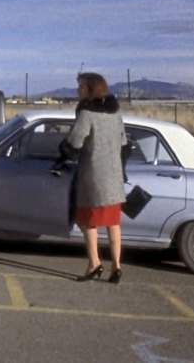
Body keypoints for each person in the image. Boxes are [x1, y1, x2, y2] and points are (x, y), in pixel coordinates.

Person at [61, 72, 128, 284]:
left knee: (88, 223)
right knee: (113, 223)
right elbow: (124, 143)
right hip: (114, 176)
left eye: (81, 86)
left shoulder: (87, 113)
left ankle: (94, 264)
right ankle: (116, 266)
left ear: (90, 89)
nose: (77, 90)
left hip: (93, 176)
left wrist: (63, 150)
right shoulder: (115, 111)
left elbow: (75, 143)